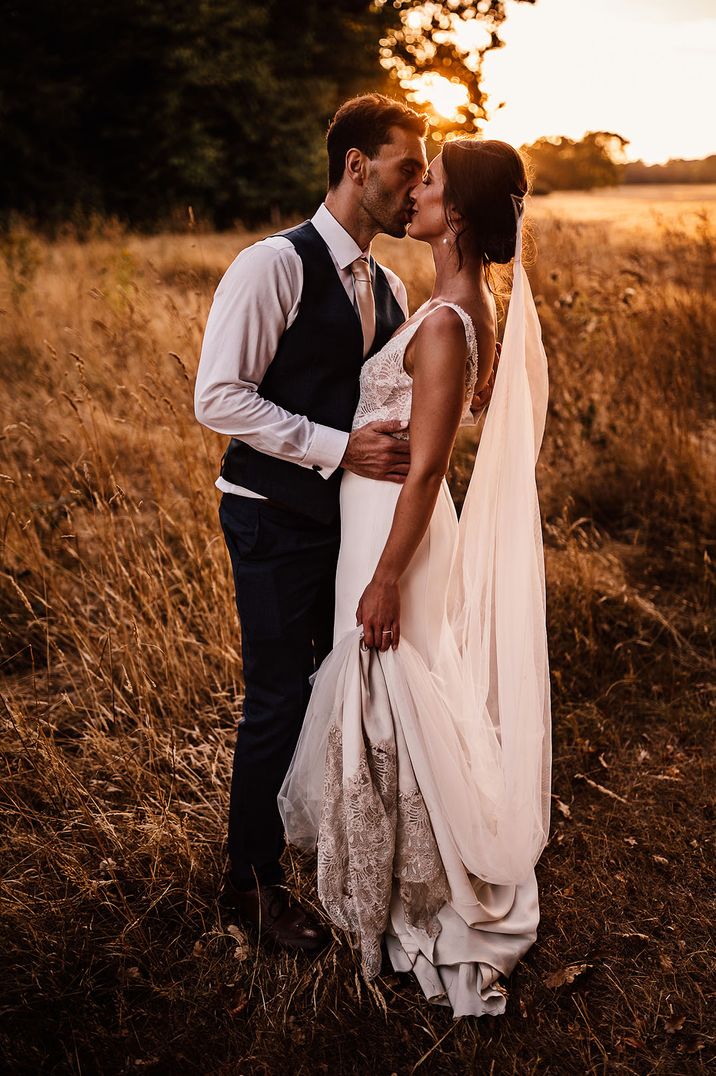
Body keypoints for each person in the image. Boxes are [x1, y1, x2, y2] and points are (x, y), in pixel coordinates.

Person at [194, 94, 496, 953]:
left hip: (346, 532)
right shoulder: (272, 266)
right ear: (357, 166)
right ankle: (247, 886)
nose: (414, 189)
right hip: (271, 518)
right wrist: (339, 448)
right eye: (408, 169)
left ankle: (342, 856)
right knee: (279, 698)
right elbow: (216, 397)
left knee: (343, 696)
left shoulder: (395, 287)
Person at [278, 138, 552, 1018]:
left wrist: (388, 576)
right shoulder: (443, 303)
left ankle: (413, 888)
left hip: (397, 537)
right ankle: (389, 861)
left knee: (393, 674)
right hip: (379, 524)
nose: (416, 194)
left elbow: (429, 470)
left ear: (458, 214)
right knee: (391, 683)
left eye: (429, 183)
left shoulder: (444, 320)